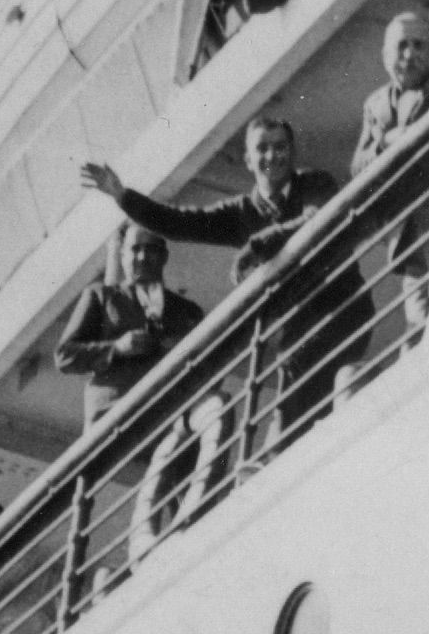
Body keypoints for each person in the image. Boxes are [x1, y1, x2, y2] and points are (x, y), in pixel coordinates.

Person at [81, 116, 371, 438]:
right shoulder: (243, 211)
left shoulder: (315, 183)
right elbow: (180, 223)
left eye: (280, 147)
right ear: (248, 159)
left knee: (309, 396)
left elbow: (314, 220)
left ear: (291, 153)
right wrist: (122, 195)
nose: (272, 156)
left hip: (343, 305)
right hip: (300, 321)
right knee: (290, 409)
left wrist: (258, 244)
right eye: (262, 148)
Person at [351, 12, 429, 331]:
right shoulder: (375, 103)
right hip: (407, 230)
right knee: (418, 319)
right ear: (385, 56)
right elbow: (357, 166)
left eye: (419, 46)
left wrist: (399, 138)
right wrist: (385, 144)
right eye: (402, 45)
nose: (410, 54)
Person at [55, 226, 205, 429]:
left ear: (164, 256)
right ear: (123, 255)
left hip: (167, 413)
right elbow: (64, 356)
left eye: (151, 249)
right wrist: (116, 348)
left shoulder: (188, 311)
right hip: (113, 416)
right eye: (135, 249)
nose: (142, 257)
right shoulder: (101, 296)